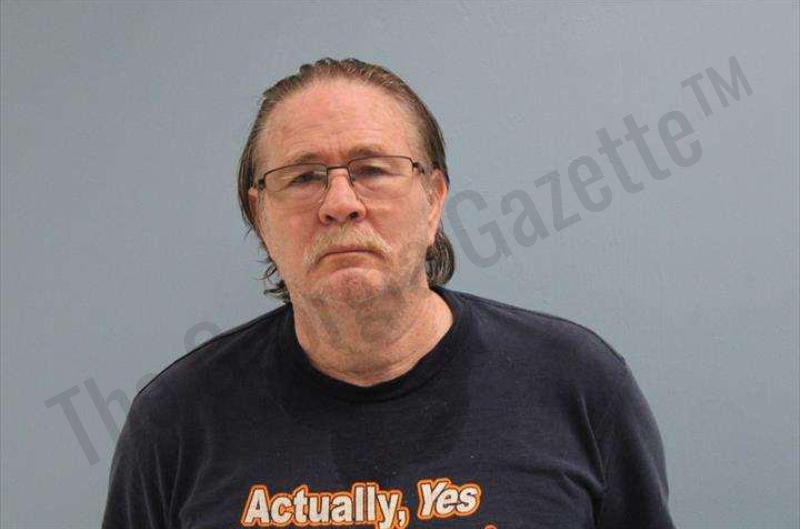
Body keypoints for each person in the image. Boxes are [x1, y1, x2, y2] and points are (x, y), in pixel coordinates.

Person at [102, 58, 675, 528]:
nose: (340, 203)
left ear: (433, 199)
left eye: (372, 170)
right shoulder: (178, 420)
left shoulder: (577, 385)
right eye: (303, 177)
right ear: (260, 216)